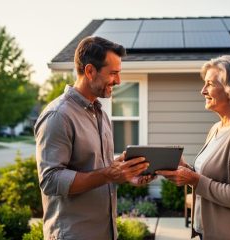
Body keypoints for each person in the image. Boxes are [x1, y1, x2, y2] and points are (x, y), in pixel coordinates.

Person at [34, 36, 153, 240]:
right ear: (90, 71)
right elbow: (50, 180)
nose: (118, 81)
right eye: (113, 73)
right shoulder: (58, 115)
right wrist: (108, 174)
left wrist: (124, 172)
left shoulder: (100, 114)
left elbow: (97, 169)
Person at [157, 55, 230, 240]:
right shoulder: (218, 127)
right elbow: (213, 177)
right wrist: (187, 170)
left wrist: (194, 180)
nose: (203, 91)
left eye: (210, 84)